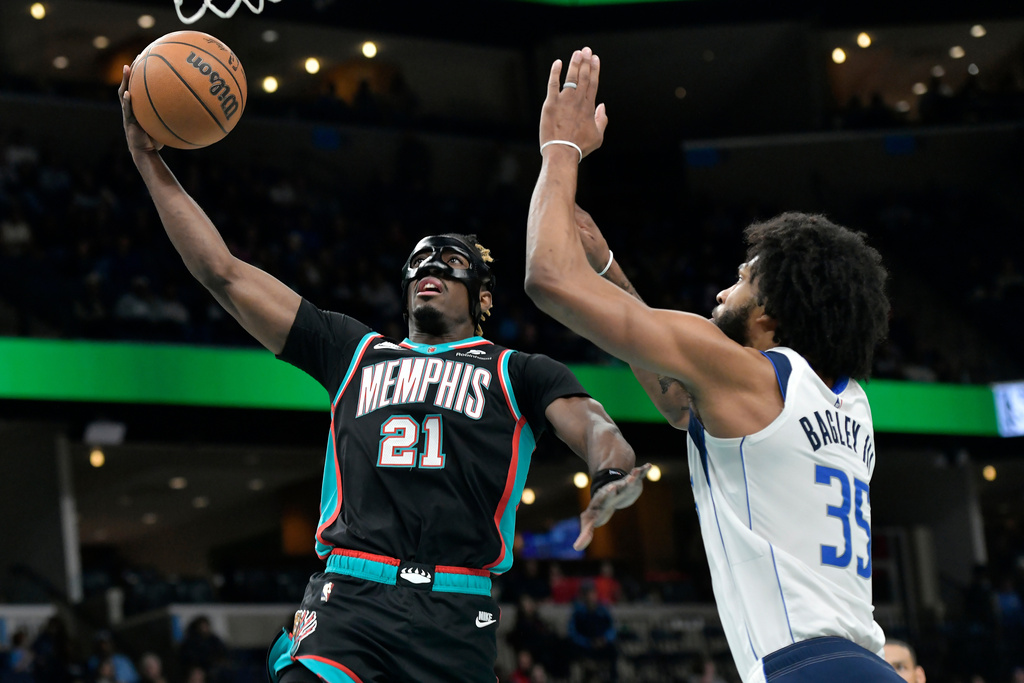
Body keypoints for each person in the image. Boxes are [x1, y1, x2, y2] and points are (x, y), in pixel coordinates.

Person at [117, 64, 647, 683]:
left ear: (483, 298)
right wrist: (147, 159)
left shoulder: (520, 370)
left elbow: (593, 425)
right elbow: (223, 273)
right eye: (419, 259)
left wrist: (612, 472)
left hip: (457, 612)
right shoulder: (355, 351)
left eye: (450, 261)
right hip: (349, 600)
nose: (430, 265)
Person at [524, 47, 897, 683]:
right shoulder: (847, 402)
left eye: (744, 279)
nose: (723, 292)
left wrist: (561, 149)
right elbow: (676, 398)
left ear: (773, 317)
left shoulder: (748, 374)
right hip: (862, 663)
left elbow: (546, 277)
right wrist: (610, 267)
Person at [567, 581, 618, 681]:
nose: (591, 596)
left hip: (602, 645)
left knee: (613, 651)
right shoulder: (578, 613)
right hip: (585, 647)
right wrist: (587, 642)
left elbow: (612, 628)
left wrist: (605, 639)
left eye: (593, 593)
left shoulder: (603, 610)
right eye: (588, 593)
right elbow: (573, 633)